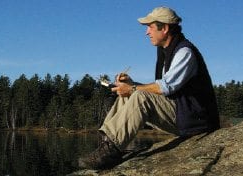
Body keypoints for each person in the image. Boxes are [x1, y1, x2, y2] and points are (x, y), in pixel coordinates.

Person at [78, 6, 220, 169]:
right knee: (129, 95)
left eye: (150, 27)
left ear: (165, 28)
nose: (147, 32)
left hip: (197, 121)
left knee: (139, 96)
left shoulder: (184, 52)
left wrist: (132, 89)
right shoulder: (166, 51)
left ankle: (110, 150)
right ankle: (108, 146)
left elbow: (165, 87)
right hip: (182, 113)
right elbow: (160, 88)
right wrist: (131, 86)